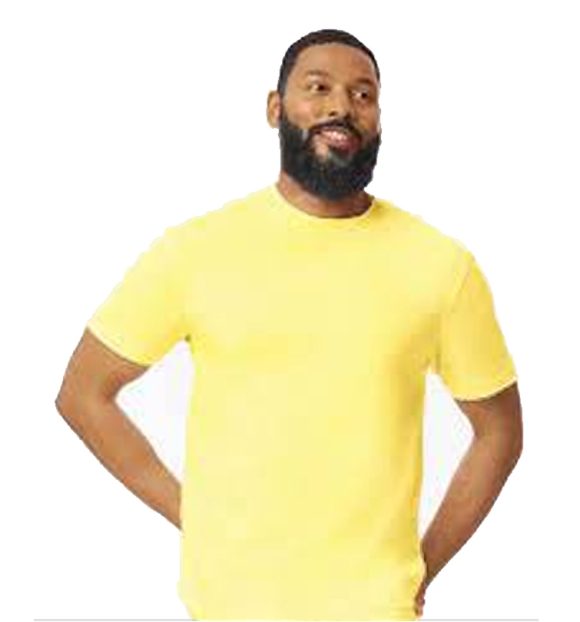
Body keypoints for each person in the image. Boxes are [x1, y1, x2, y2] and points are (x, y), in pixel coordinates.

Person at [55, 28, 523, 621]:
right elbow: (83, 393)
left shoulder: (441, 266)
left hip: (374, 608)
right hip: (230, 606)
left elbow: (500, 431)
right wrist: (194, 517)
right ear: (275, 109)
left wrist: (424, 565)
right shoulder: (195, 251)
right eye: (318, 88)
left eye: (363, 94)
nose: (341, 107)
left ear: (379, 120)